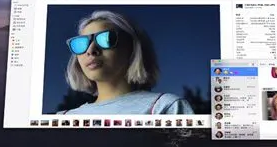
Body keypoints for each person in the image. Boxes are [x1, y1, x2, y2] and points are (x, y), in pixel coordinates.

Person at [58, 10, 194, 115]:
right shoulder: (64, 118)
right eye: (81, 43)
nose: (91, 50)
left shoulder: (165, 107)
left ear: (133, 48)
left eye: (106, 39)